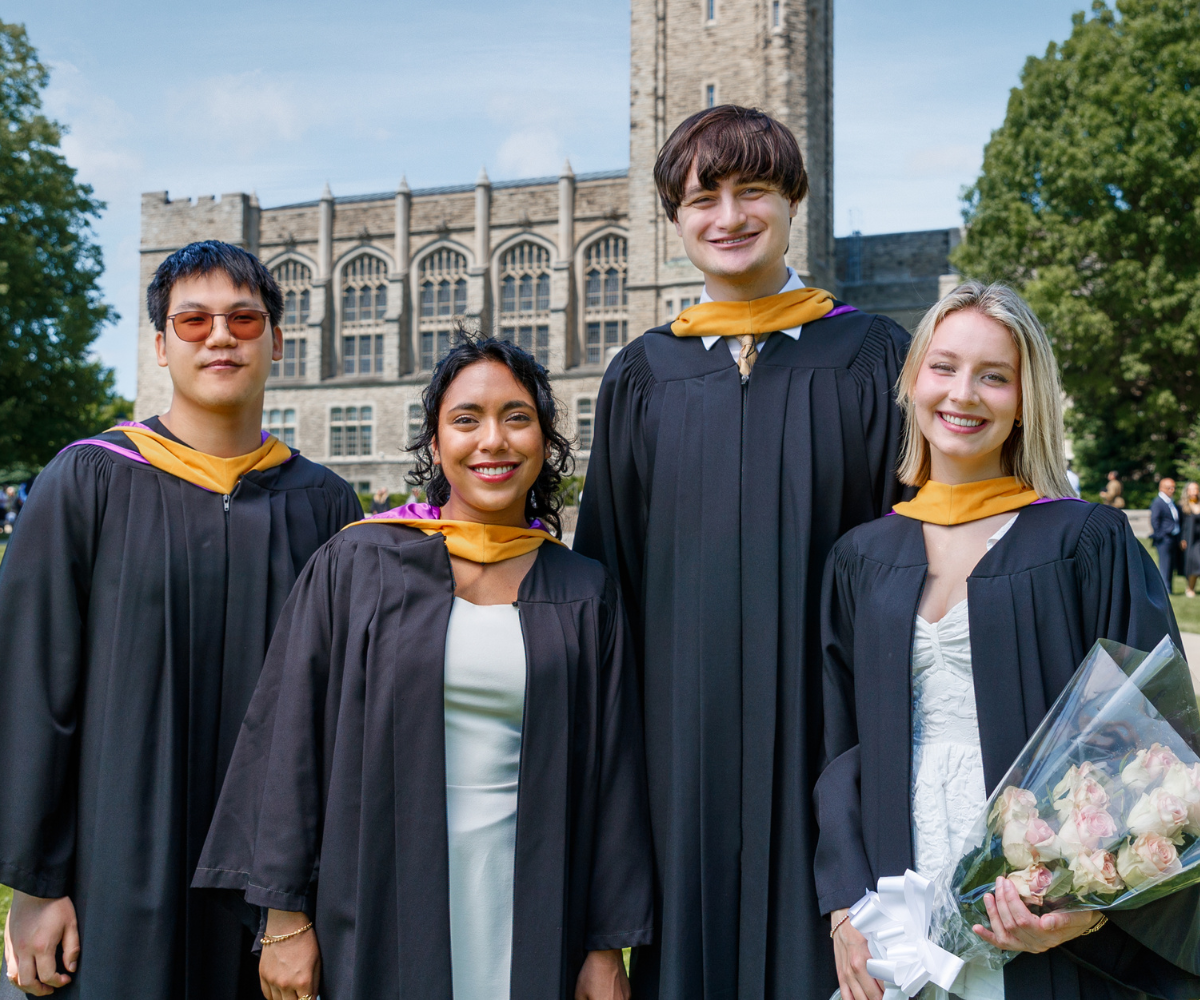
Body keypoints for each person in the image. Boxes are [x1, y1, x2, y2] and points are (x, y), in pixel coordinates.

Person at [194, 337, 653, 1000]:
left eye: (517, 417)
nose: (493, 441)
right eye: (466, 420)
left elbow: (614, 774)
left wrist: (605, 945)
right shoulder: (359, 565)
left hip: (535, 903)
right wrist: (286, 918)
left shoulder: (584, 589)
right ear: (435, 446)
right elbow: (290, 738)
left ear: (545, 441)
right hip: (378, 892)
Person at [573, 104, 910, 999]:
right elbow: (608, 574)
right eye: (701, 198)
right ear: (675, 221)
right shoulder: (643, 376)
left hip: (833, 729)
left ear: (794, 197)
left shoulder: (873, 357)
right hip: (681, 741)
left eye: (751, 190)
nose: (728, 217)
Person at [0, 241, 362, 999]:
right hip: (114, 867)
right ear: (161, 346)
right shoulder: (87, 480)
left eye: (243, 318)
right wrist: (34, 883)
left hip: (274, 888)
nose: (221, 336)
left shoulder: (326, 507)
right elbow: (34, 687)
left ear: (278, 341)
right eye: (192, 321)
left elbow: (346, 710)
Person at [817, 281, 1199, 1000]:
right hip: (895, 907)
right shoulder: (862, 558)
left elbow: (1158, 744)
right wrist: (843, 907)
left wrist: (1082, 909)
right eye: (945, 367)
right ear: (912, 381)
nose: (964, 394)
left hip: (1036, 909)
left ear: (1027, 400)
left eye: (995, 376)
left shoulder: (1086, 542)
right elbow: (838, 747)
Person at [1151, 476, 1182, 597]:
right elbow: (1155, 521)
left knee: (1170, 565)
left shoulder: (1171, 502)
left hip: (1173, 537)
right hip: (1164, 539)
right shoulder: (1158, 502)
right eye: (1169, 487)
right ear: (1162, 488)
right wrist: (1161, 535)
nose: (1172, 490)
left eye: (1173, 487)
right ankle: (1165, 590)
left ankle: (1169, 588)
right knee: (1165, 564)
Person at [1180, 481, 1200, 598]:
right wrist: (1182, 539)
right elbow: (1181, 525)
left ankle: (1191, 588)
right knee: (1195, 564)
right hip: (1191, 541)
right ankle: (1190, 588)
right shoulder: (1183, 506)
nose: (1194, 492)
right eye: (1191, 489)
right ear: (1187, 491)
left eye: (1196, 489)